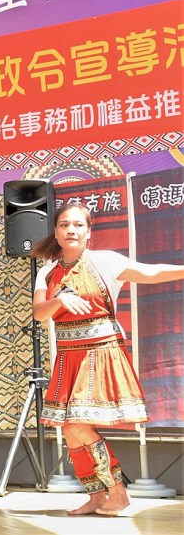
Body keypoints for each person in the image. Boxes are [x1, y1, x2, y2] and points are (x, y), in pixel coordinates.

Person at [31, 202, 184, 517]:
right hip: (68, 357)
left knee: (76, 425)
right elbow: (38, 313)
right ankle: (96, 496)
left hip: (100, 352)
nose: (71, 230)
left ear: (89, 232)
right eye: (64, 225)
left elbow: (151, 272)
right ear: (56, 233)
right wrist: (59, 300)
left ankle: (117, 492)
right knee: (70, 430)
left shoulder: (105, 261)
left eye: (78, 225)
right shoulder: (47, 272)